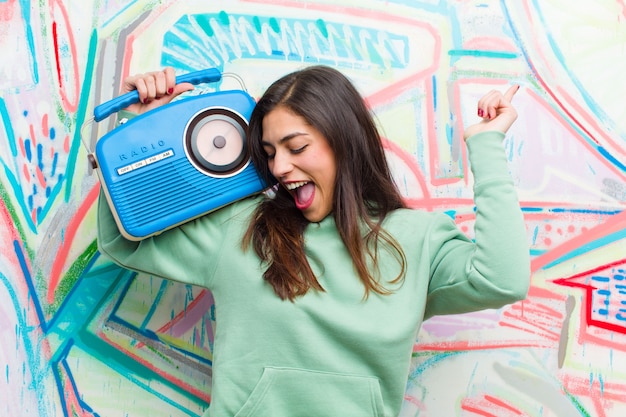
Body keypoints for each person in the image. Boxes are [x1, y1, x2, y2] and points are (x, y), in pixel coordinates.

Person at [97, 65, 530, 417]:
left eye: (296, 146)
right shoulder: (243, 228)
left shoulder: (417, 239)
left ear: (345, 141)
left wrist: (487, 145)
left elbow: (502, 280)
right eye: (268, 153)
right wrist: (144, 127)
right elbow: (125, 240)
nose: (280, 166)